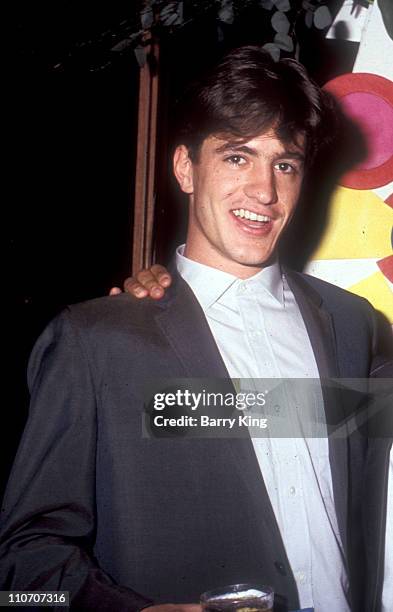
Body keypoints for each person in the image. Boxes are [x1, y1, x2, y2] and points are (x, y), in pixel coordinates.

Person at [1, 46, 391, 612]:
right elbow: (18, 573)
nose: (264, 190)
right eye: (238, 157)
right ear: (185, 168)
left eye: (285, 163)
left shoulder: (352, 327)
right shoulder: (98, 342)